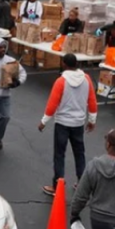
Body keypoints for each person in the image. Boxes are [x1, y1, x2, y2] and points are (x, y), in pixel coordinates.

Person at [38, 54, 97, 196]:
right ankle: (82, 184)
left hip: (63, 123)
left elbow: (52, 104)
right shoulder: (86, 79)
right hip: (78, 123)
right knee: (79, 153)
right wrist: (92, 120)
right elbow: (92, 101)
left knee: (59, 154)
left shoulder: (61, 81)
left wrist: (43, 121)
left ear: (64, 64)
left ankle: (57, 185)